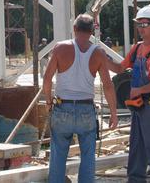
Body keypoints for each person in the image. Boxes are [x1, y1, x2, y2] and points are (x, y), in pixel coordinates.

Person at [43, 13, 118, 183]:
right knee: (88, 157)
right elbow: (108, 85)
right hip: (86, 110)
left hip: (62, 108)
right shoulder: (98, 53)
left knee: (58, 156)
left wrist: (48, 102)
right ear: (92, 31)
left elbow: (47, 79)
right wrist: (113, 113)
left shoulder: (60, 48)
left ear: (75, 28)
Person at [108, 6, 150, 183]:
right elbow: (120, 68)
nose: (141, 28)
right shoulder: (137, 49)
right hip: (138, 107)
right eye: (139, 24)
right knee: (137, 148)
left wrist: (141, 90)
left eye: (145, 24)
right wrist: (101, 58)